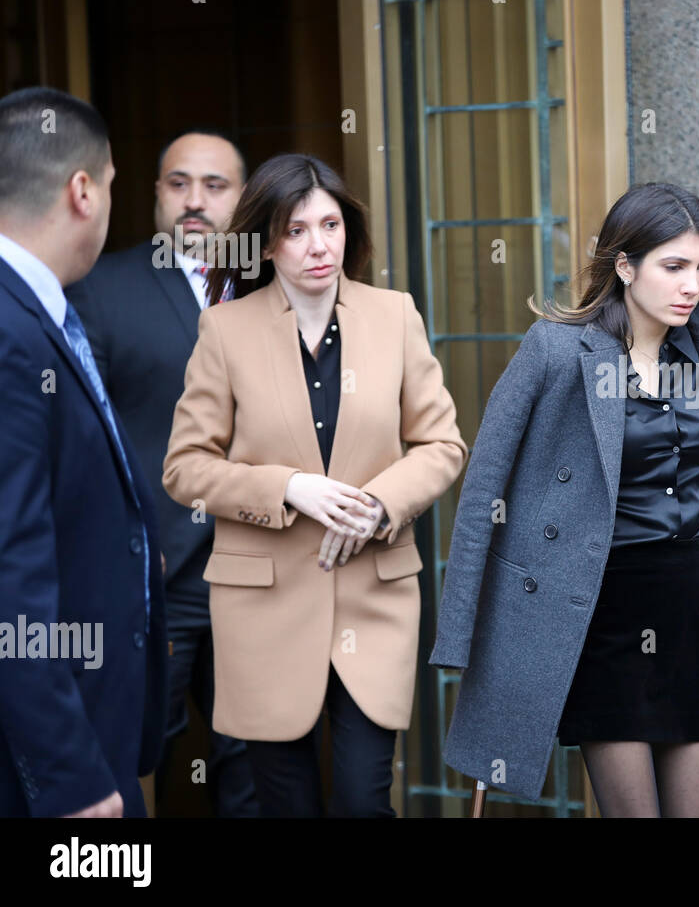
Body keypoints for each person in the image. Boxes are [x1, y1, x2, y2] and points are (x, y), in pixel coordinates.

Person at [430, 183, 699, 816]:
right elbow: (484, 495)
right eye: (673, 267)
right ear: (624, 266)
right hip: (598, 614)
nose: (692, 285)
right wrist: (462, 634)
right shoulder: (557, 350)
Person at [163, 153, 467, 816]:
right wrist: (288, 488)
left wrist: (380, 504)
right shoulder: (225, 330)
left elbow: (442, 443)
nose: (318, 245)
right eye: (296, 230)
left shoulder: (395, 317)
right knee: (286, 803)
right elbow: (184, 467)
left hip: (373, 597)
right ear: (268, 242)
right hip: (264, 608)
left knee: (363, 800)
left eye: (330, 225)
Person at [65, 128, 259, 817]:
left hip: (260, 570)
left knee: (256, 766)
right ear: (153, 195)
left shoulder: (279, 285)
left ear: (244, 197)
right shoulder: (100, 288)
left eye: (214, 185)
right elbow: (84, 438)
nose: (194, 202)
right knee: (143, 753)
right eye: (178, 184)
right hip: (155, 575)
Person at [0, 86, 167, 817]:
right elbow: (11, 572)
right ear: (81, 191)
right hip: (52, 769)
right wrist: (67, 773)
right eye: (108, 185)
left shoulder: (42, 308)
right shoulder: (10, 332)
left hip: (94, 731)